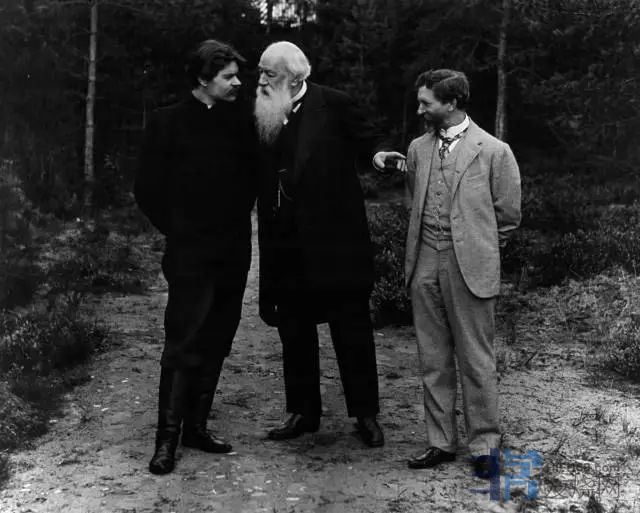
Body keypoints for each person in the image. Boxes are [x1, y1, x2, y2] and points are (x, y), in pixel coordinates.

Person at [376, 69, 521, 477]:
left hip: (470, 267)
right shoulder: (418, 149)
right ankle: (440, 442)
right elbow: (414, 202)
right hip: (424, 262)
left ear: (452, 103)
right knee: (433, 357)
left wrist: (478, 250)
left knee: (476, 358)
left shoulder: (494, 151)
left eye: (426, 103)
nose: (420, 109)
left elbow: (508, 217)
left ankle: (485, 446)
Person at [134, 39, 257, 475]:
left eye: (237, 76)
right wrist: (180, 230)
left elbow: (253, 180)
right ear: (203, 79)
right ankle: (166, 441)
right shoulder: (167, 122)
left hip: (233, 252)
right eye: (228, 77)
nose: (238, 83)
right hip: (190, 254)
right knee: (184, 341)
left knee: (219, 337)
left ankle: (197, 429)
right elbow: (146, 189)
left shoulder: (241, 122)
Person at [254, 41, 385, 447]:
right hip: (286, 246)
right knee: (294, 331)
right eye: (260, 72)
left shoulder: (334, 103)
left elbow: (369, 140)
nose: (261, 81)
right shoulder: (262, 110)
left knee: (352, 331)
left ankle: (365, 414)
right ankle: (303, 412)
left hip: (335, 243)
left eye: (269, 74)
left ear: (295, 78)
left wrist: (380, 155)